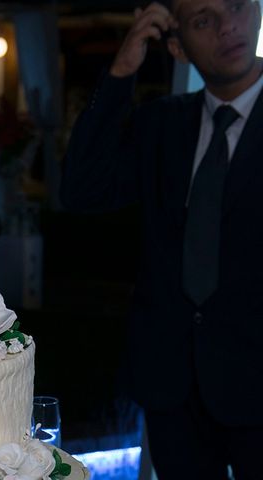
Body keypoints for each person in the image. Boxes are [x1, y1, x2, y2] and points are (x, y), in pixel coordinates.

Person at [61, 0, 263, 478]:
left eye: (236, 5)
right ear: (176, 46)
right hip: (173, 383)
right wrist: (120, 72)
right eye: (202, 20)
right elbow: (82, 190)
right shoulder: (163, 124)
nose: (227, 26)